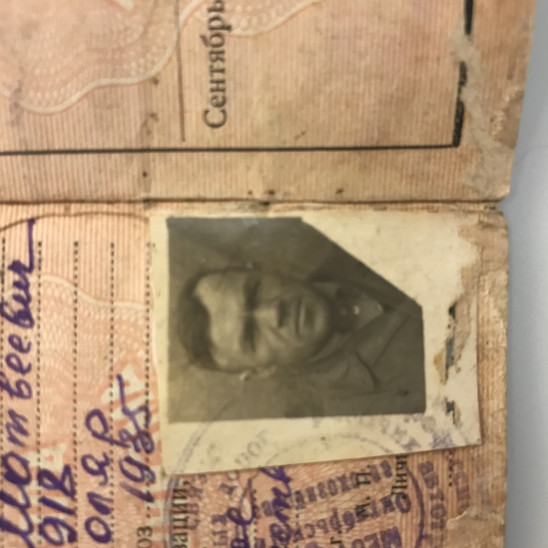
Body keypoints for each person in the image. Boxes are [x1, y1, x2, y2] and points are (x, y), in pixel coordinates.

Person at [178, 264, 425, 417]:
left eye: (255, 291)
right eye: (252, 335)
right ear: (261, 371)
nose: (273, 312)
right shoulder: (366, 415)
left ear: (261, 269)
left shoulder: (353, 234)